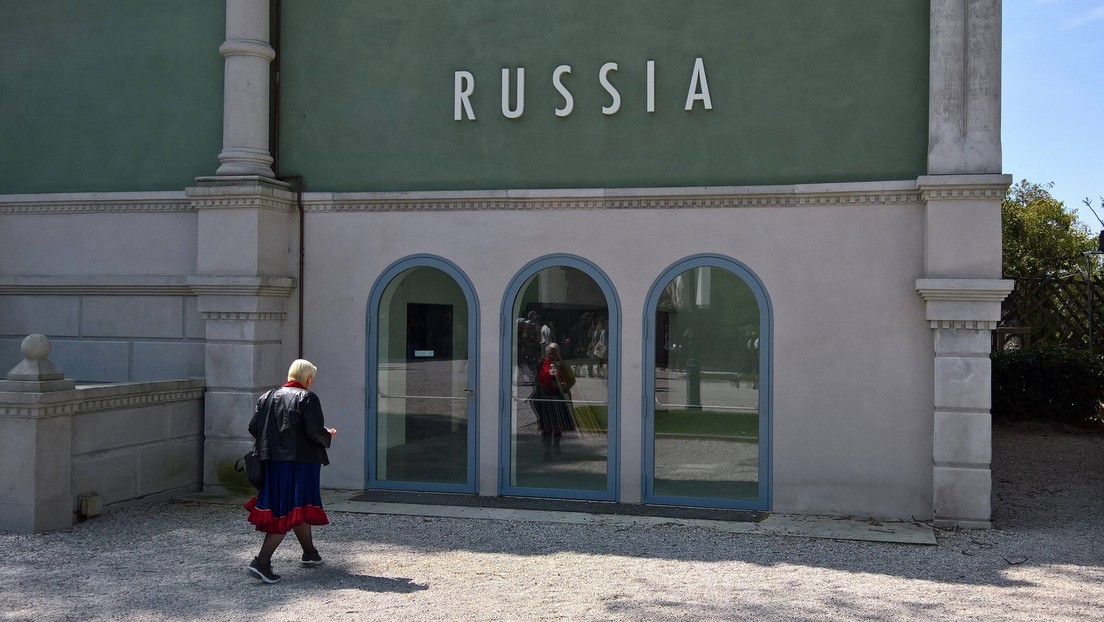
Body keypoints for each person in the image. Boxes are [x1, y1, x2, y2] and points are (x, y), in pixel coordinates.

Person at [244, 359, 337, 584]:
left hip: (273, 462)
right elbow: (315, 431)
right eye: (312, 378)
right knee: (286, 509)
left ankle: (310, 554)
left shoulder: (267, 397)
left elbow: (253, 428)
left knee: (296, 506)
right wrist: (328, 435)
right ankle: (261, 562)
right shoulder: (308, 397)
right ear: (308, 378)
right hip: (300, 463)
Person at [534, 343, 576, 459]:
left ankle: (556, 446)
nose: (551, 354)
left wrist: (564, 386)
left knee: (558, 425)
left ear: (558, 353)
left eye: (554, 351)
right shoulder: (541, 363)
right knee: (546, 427)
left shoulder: (563, 364)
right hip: (545, 397)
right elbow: (537, 379)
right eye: (550, 351)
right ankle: (547, 451)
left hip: (558, 397)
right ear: (546, 352)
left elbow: (571, 380)